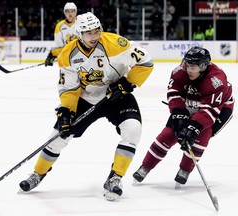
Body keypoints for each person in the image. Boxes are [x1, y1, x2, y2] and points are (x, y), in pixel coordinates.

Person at [20, 12, 154, 201]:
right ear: (79, 33)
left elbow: (146, 61)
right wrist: (66, 111)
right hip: (86, 98)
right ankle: (38, 173)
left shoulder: (116, 43)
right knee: (57, 136)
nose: (94, 36)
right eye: (88, 33)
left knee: (133, 129)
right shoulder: (67, 54)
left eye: (96, 31)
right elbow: (69, 88)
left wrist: (127, 83)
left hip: (116, 96)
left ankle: (115, 177)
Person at [133, 46, 234, 187]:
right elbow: (174, 93)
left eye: (193, 67)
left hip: (220, 109)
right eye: (188, 64)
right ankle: (145, 167)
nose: (188, 69)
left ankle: (184, 170)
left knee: (200, 136)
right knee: (167, 134)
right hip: (190, 103)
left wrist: (194, 127)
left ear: (204, 66)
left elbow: (209, 110)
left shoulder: (216, 80)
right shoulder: (179, 71)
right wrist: (178, 112)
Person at [45, 2, 78, 66]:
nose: (70, 13)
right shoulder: (60, 26)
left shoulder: (81, 23)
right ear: (64, 12)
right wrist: (52, 54)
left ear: (75, 12)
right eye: (67, 11)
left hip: (81, 58)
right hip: (65, 60)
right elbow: (58, 45)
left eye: (72, 11)